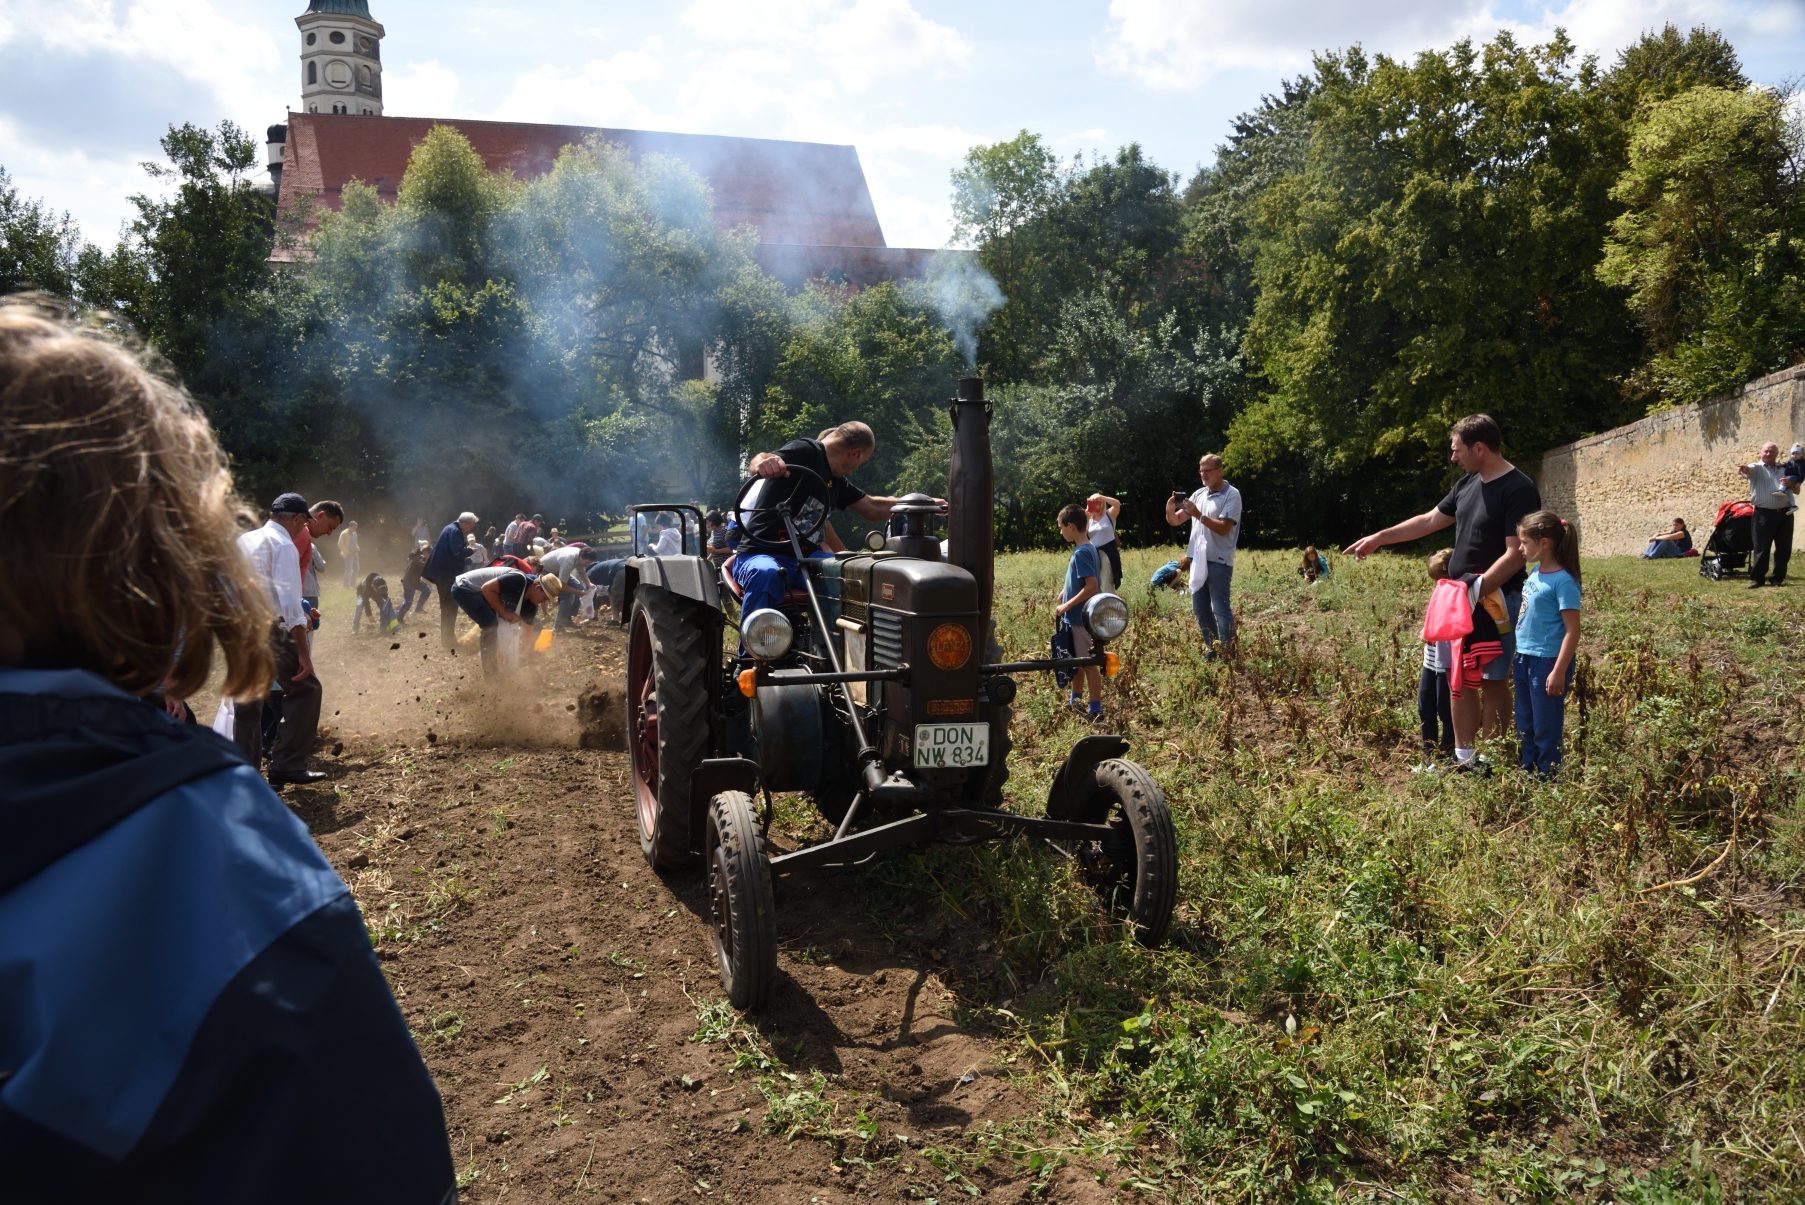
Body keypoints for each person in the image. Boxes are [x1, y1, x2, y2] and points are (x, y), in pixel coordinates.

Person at [0, 302, 455, 1202]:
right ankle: (283, 762)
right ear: (152, 550)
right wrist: (302, 646)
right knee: (281, 704)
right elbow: (376, 1160)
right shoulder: (213, 863)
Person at [1344, 414, 1539, 766]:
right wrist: (1379, 538)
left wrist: (1476, 588)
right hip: (1460, 599)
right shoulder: (1467, 483)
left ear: (1480, 448)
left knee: (1494, 680)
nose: (1453, 458)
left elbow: (1516, 553)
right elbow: (1429, 521)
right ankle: (1464, 758)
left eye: (1457, 450)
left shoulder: (1518, 488)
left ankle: (1491, 760)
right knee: (1458, 677)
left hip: (1496, 601)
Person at [733, 422, 932, 617]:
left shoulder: (837, 481)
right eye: (861, 463)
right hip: (760, 554)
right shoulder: (806, 450)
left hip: (806, 560)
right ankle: (755, 649)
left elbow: (872, 508)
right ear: (855, 453)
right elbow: (763, 461)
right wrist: (768, 463)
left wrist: (923, 504)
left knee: (852, 576)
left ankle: (837, 644)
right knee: (767, 573)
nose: (856, 468)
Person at [232, 493, 328, 786]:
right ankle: (287, 763)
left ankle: (247, 775)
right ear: (297, 519)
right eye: (303, 524)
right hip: (269, 630)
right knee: (306, 689)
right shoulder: (284, 544)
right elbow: (287, 603)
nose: (303, 530)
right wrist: (303, 652)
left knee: (248, 703)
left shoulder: (244, 541)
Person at [1512, 511, 1582, 776]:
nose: (1520, 548)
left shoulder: (1564, 581)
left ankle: (1548, 777)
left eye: (1525, 542)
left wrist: (1559, 671)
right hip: (1524, 658)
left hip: (1547, 663)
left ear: (1544, 543)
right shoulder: (1535, 571)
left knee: (1546, 725)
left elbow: (1572, 631)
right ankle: (1528, 770)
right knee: (1526, 723)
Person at [1165, 453, 1242, 655]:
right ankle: (1213, 648)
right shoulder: (1199, 494)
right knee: (1200, 609)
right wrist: (1169, 510)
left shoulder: (1231, 495)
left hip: (1219, 560)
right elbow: (1176, 521)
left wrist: (1199, 515)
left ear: (1219, 471)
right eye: (1201, 471)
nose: (1204, 474)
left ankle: (1229, 652)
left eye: (1208, 470)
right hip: (1198, 561)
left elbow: (1224, 528)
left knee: (1220, 609)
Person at [450, 563, 558, 677]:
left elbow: (528, 636)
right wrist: (504, 613)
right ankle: (491, 674)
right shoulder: (518, 580)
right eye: (545, 597)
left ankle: (496, 666)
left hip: (482, 594)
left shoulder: (530, 605)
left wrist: (531, 665)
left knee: (496, 625)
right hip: (465, 588)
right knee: (490, 624)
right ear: (537, 588)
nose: (544, 602)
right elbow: (487, 588)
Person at [1055, 503, 1106, 721]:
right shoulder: (1086, 548)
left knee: (1089, 664)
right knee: (1077, 663)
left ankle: (1095, 709)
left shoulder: (1083, 552)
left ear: (1071, 526)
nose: (1060, 531)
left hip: (1081, 618)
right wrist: (1064, 592)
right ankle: (1075, 701)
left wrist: (1067, 606)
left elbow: (1092, 585)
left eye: (1061, 527)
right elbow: (1079, 580)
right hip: (1076, 617)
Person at [1417, 549, 1455, 766]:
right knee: (1425, 706)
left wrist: (1431, 631)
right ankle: (1428, 750)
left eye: (1441, 580)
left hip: (1447, 663)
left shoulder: (1456, 594)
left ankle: (1447, 751)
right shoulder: (1439, 590)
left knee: (1445, 709)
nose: (1438, 584)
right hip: (1430, 661)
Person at [1738, 442, 1795, 588]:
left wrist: (1792, 484)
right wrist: (1744, 469)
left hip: (1785, 514)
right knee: (1762, 548)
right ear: (1760, 453)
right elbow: (1748, 471)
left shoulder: (1784, 469)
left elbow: (1797, 490)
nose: (1768, 454)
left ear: (1777, 454)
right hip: (1763, 514)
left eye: (1771, 452)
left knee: (1783, 548)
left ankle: (1777, 578)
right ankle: (1758, 579)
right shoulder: (1756, 468)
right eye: (1765, 451)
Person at [422, 511, 479, 649]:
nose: (470, 530)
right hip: (445, 575)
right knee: (450, 607)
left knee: (448, 606)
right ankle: (448, 640)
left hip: (442, 574)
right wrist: (471, 551)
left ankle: (447, 638)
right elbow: (458, 552)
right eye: (470, 527)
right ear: (465, 524)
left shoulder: (449, 528)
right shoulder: (455, 532)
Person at [539, 542, 605, 631]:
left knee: (579, 588)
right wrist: (579, 593)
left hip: (558, 570)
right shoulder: (568, 560)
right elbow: (562, 586)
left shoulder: (579, 554)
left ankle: (567, 619)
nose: (587, 565)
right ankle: (558, 626)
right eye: (586, 562)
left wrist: (589, 583)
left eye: (589, 563)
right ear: (581, 557)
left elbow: (581, 571)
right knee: (568, 596)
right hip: (545, 571)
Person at [1086, 493, 1123, 592]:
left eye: (1099, 502)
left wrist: (1101, 497)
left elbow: (1117, 504)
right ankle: (1098, 606)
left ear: (1103, 504)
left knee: (1107, 584)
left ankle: (1110, 606)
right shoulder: (1089, 519)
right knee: (1094, 584)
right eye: (1093, 502)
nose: (1097, 505)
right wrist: (1086, 516)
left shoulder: (1109, 515)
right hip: (1093, 555)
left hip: (1107, 554)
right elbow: (1083, 534)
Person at [395, 541, 432, 623]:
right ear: (426, 553)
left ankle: (418, 608)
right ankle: (398, 618)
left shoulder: (418, 557)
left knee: (427, 590)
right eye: (430, 554)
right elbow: (425, 566)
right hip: (409, 582)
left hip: (415, 581)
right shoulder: (419, 558)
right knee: (408, 602)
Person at [336, 520, 360, 589]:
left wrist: (357, 548)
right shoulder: (344, 533)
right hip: (348, 554)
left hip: (355, 553)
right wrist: (347, 551)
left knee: (356, 568)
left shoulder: (354, 533)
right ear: (350, 526)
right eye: (354, 528)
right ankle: (345, 584)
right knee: (349, 569)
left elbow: (355, 542)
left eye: (356, 528)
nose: (355, 529)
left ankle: (352, 583)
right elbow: (340, 544)